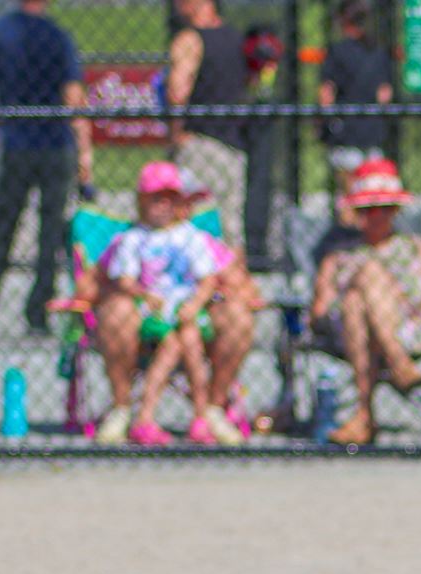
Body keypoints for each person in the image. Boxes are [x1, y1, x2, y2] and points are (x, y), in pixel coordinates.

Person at [84, 162, 251, 446]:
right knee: (163, 336)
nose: (163, 204)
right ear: (141, 201)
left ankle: (206, 413)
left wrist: (198, 303)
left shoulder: (195, 237)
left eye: (171, 197)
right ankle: (132, 412)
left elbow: (216, 279)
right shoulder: (130, 238)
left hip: (189, 313)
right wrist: (143, 296)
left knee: (194, 334)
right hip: (148, 315)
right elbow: (112, 281)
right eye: (155, 197)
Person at [0, 0, 95, 334]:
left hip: (18, 143)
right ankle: (38, 311)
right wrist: (84, 149)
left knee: (3, 225)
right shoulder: (57, 36)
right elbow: (72, 95)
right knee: (50, 229)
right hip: (55, 143)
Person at [308, 157, 421, 446]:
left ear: (396, 210)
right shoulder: (338, 255)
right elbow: (320, 310)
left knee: (361, 292)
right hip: (348, 334)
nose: (377, 216)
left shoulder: (420, 249)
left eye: (385, 209)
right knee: (359, 291)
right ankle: (398, 364)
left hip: (410, 330)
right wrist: (367, 295)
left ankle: (363, 416)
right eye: (369, 209)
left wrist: (393, 300)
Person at [166, 0, 251, 248]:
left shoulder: (189, 39)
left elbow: (177, 92)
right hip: (232, 147)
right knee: (230, 230)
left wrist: (175, 135)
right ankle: (233, 281)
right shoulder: (236, 39)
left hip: (199, 143)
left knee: (194, 224)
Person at [317, 1, 392, 188]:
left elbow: (327, 93)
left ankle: (349, 217)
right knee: (370, 190)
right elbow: (384, 95)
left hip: (345, 130)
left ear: (344, 21)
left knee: (349, 192)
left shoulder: (337, 51)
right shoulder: (377, 51)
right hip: (372, 131)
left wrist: (322, 120)